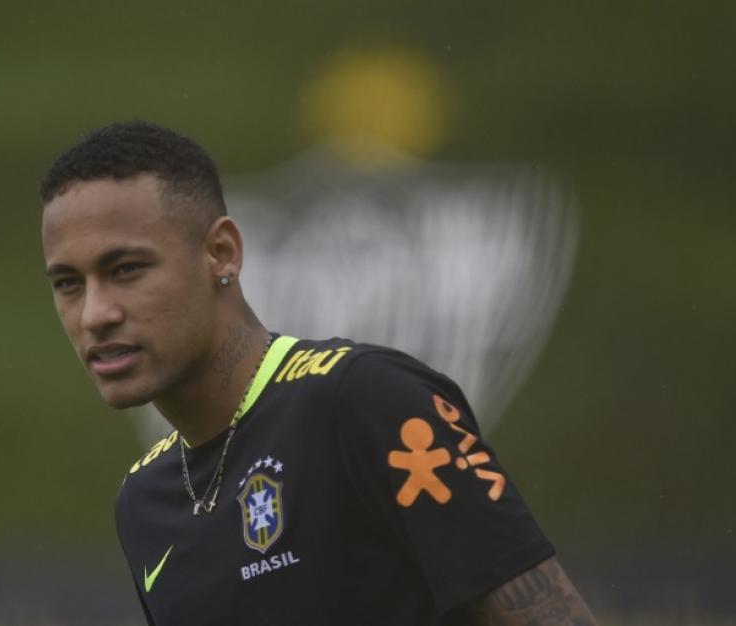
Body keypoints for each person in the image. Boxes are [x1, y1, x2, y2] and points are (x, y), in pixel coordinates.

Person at [40, 121, 598, 625]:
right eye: (68, 283)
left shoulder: (365, 400)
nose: (95, 314)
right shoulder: (143, 501)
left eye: (127, 269)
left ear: (222, 254)